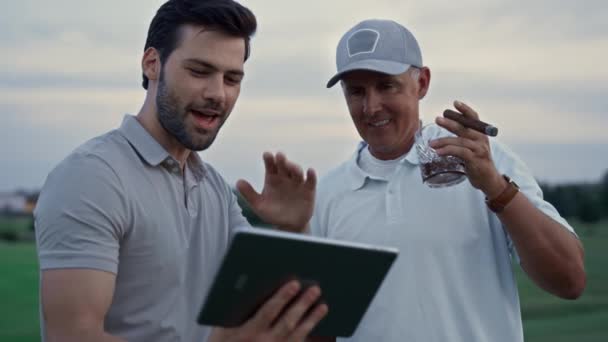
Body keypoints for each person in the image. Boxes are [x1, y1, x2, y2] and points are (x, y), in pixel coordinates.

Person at [34, 1, 328, 341]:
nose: (218, 94)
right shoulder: (91, 178)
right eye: (199, 71)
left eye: (232, 78)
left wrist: (293, 231)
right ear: (152, 64)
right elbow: (72, 336)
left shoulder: (214, 189)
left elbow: (272, 307)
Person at [310, 19, 586, 342]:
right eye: (356, 92)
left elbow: (570, 280)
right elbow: (319, 327)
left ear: (422, 83)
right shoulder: (325, 195)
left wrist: (495, 187)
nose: (371, 107)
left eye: (386, 86)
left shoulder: (484, 161)